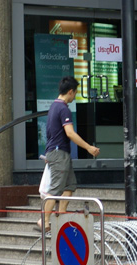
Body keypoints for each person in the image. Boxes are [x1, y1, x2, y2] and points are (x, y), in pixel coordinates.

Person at [36, 76, 99, 232]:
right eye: (75, 93)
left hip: (58, 152)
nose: (74, 96)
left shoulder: (53, 107)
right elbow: (70, 133)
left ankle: (61, 214)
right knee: (56, 189)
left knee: (69, 185)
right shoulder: (63, 108)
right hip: (59, 153)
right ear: (70, 92)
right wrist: (88, 147)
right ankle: (43, 220)